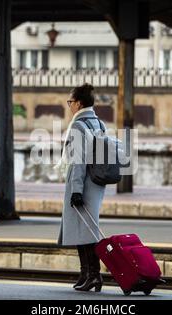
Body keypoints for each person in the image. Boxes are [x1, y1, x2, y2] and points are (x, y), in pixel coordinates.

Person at [56, 83, 106, 292]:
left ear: (79, 103)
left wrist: (76, 190)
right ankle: (87, 274)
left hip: (82, 182)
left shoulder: (78, 125)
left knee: (83, 231)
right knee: (85, 230)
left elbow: (78, 160)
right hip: (95, 183)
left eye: (70, 102)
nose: (69, 106)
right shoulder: (99, 123)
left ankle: (92, 275)